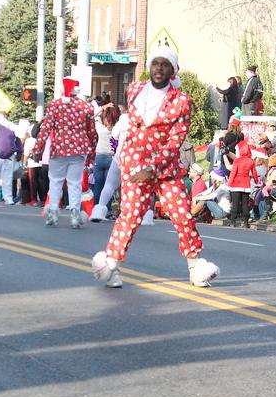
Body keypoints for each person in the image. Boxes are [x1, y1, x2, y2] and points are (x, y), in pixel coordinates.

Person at [91, 45, 219, 288]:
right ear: (149, 66)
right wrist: (137, 165)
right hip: (134, 165)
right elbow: (135, 128)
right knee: (129, 216)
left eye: (165, 64)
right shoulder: (134, 89)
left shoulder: (182, 101)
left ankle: (195, 267)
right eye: (155, 63)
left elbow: (175, 140)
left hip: (165, 169)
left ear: (172, 70)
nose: (159, 68)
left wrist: (153, 167)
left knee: (182, 214)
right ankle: (110, 266)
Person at [30, 77, 97, 228]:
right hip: (79, 148)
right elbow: (92, 132)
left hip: (59, 148)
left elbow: (45, 129)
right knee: (75, 183)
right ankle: (74, 213)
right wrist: (92, 152)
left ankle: (53, 212)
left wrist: (37, 149)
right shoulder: (86, 107)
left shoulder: (55, 105)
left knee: (55, 181)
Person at [227, 139, 260, 227]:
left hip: (236, 184)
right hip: (246, 184)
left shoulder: (237, 160)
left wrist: (229, 183)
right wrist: (257, 181)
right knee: (245, 204)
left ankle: (233, 221)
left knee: (235, 203)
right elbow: (254, 173)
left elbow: (233, 172)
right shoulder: (251, 161)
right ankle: (246, 222)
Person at [92, 100, 117, 204]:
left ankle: (96, 207)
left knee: (98, 185)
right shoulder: (116, 129)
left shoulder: (100, 128)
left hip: (99, 157)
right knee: (108, 185)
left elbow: (93, 115)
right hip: (111, 158)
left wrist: (103, 107)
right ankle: (107, 208)